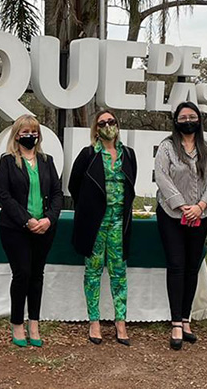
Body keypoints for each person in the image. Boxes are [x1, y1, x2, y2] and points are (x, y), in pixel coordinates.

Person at [154, 101, 207, 350]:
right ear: (176, 121)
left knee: (192, 267)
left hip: (200, 214)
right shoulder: (167, 147)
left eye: (192, 116)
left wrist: (200, 207)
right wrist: (182, 206)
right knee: (176, 266)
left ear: (199, 119)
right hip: (171, 214)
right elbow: (162, 177)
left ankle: (186, 318)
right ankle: (175, 323)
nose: (188, 121)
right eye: (183, 117)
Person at [69, 108, 136, 346]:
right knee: (93, 272)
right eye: (102, 123)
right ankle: (94, 321)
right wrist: (90, 209)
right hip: (95, 223)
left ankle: (121, 321)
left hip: (119, 222)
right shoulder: (88, 155)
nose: (108, 126)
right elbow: (74, 185)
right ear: (96, 130)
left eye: (111, 121)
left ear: (117, 125)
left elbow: (131, 185)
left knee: (119, 273)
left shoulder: (129, 154)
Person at [0, 115, 64, 348]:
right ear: (16, 135)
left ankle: (34, 323)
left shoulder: (47, 161)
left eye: (34, 131)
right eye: (25, 132)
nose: (30, 136)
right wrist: (27, 220)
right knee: (22, 273)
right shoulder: (7, 162)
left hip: (45, 228)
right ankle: (17, 323)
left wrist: (49, 219)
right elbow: (4, 195)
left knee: (37, 275)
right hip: (15, 228)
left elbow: (57, 194)